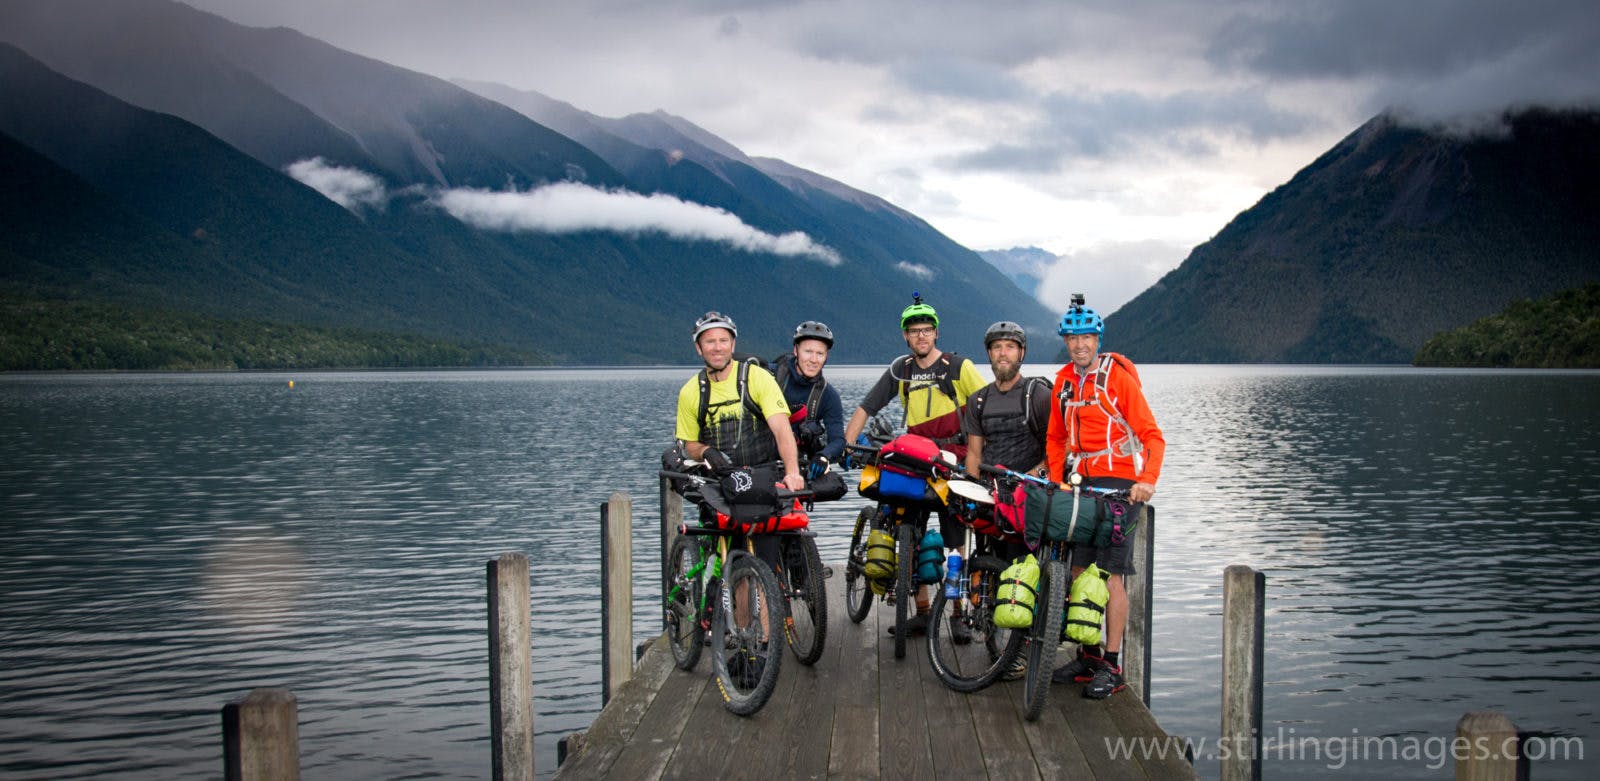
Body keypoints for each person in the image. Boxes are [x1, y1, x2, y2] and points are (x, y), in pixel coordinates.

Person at [1045, 294, 1165, 700]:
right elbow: (1056, 437)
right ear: (1065, 341)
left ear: (1098, 339)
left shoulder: (1119, 380)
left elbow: (1153, 436)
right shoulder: (1062, 382)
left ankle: (1112, 665)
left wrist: (1146, 479)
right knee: (1078, 570)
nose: (1080, 345)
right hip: (1079, 484)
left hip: (1118, 485)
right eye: (1072, 338)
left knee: (1111, 576)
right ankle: (1089, 654)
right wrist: (1059, 477)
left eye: (1087, 337)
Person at [844, 293, 986, 638]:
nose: (921, 336)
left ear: (936, 333)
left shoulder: (958, 367)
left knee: (955, 543)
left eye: (926, 330)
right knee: (910, 534)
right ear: (905, 336)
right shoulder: (902, 370)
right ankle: (922, 612)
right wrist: (848, 442)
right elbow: (867, 407)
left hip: (953, 460)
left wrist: (980, 459)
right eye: (914, 331)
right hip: (916, 459)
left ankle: (956, 613)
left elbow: (987, 406)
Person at [961, 320, 1052, 679]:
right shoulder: (978, 400)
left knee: (1023, 574)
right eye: (997, 347)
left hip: (1027, 498)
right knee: (990, 570)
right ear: (989, 354)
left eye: (1010, 347)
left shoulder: (1037, 395)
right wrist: (969, 492)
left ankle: (1022, 647)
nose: (1003, 353)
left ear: (1022, 353)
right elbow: (973, 452)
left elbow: (1055, 449)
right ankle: (997, 644)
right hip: (991, 497)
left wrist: (1034, 478)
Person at [674, 311, 806, 557]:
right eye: (710, 342)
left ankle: (762, 590)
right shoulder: (690, 392)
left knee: (764, 560)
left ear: (733, 344)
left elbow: (781, 429)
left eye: (723, 341)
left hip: (762, 474)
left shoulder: (757, 378)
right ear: (698, 348)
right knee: (732, 558)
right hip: (721, 483)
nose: (717, 348)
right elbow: (690, 443)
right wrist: (705, 451)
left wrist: (792, 473)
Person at [772, 321, 846, 478]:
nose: (814, 359)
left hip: (797, 468)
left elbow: (838, 440)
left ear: (826, 356)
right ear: (796, 350)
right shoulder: (770, 377)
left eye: (820, 354)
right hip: (762, 462)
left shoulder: (828, 395)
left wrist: (823, 456)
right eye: (808, 351)